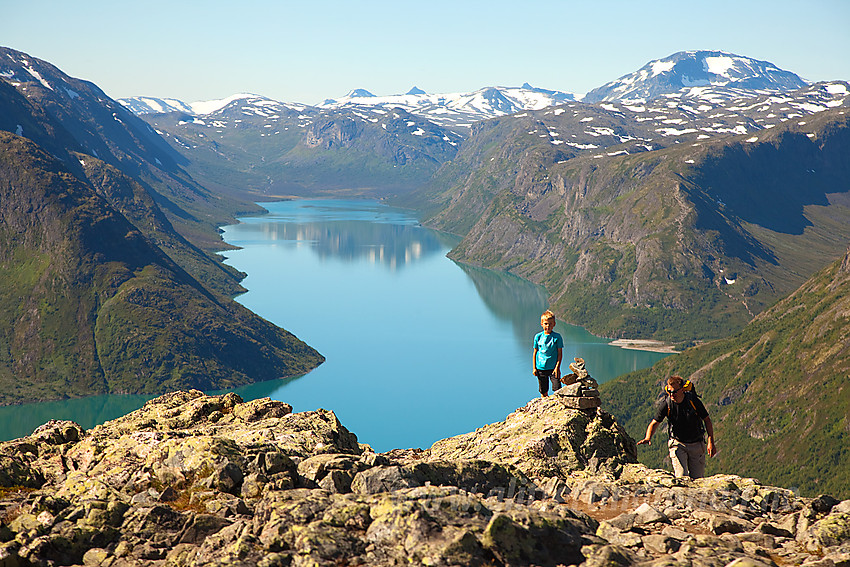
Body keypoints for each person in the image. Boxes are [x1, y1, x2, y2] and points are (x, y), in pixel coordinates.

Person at [637, 375, 717, 479]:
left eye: (674, 391)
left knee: (697, 479)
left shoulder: (693, 401)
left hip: (696, 444)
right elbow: (654, 423)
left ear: (682, 389)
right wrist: (648, 437)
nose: (671, 394)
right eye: (669, 392)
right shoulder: (667, 404)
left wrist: (711, 441)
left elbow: (707, 420)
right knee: (681, 477)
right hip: (677, 443)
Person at [533, 310, 563, 397]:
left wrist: (557, 367)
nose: (548, 326)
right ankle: (544, 406)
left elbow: (560, 354)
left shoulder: (557, 337)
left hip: (553, 368)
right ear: (541, 324)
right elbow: (535, 353)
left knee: (557, 389)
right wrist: (534, 368)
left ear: (554, 324)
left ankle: (558, 406)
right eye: (546, 323)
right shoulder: (538, 337)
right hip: (540, 368)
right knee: (543, 390)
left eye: (550, 324)